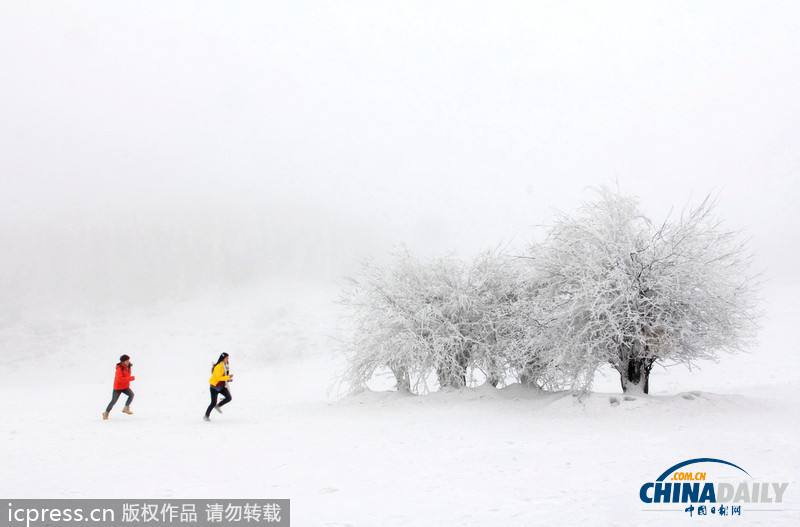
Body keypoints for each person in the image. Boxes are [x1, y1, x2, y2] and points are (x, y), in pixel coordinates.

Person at [103, 354, 135, 420]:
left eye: (128, 360)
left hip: (125, 386)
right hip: (118, 388)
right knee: (113, 401)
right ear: (122, 362)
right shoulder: (119, 369)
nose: (128, 362)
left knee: (131, 394)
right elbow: (120, 379)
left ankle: (126, 408)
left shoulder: (129, 366)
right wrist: (131, 378)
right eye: (126, 361)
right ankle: (106, 413)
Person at [204, 352, 233, 421]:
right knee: (213, 402)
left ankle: (218, 406)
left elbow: (223, 376)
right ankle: (206, 416)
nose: (227, 360)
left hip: (221, 386)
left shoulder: (225, 366)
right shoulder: (218, 366)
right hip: (214, 387)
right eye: (226, 358)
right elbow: (218, 378)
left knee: (229, 397)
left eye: (228, 358)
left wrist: (228, 379)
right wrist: (227, 377)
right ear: (223, 359)